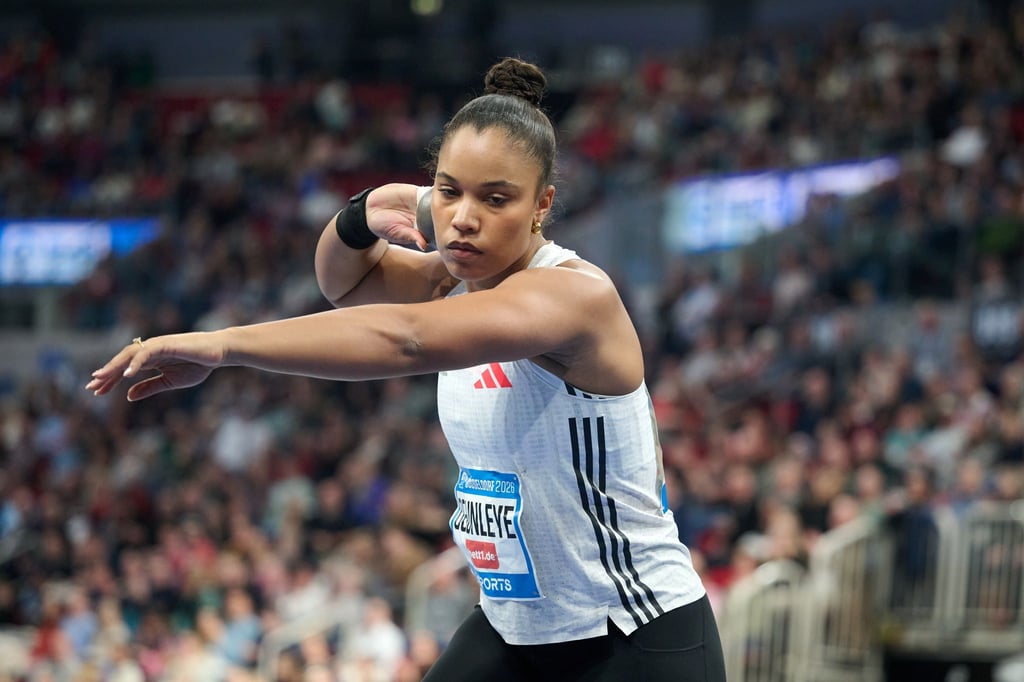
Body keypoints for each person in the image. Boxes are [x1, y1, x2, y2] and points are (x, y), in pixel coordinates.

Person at [87, 57, 726, 682]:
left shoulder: (570, 296)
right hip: (518, 626)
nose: (465, 218)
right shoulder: (452, 277)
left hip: (631, 633)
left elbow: (408, 340)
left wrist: (223, 346)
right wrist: (367, 210)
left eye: (495, 199)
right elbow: (344, 280)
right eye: (450, 192)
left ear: (542, 204)